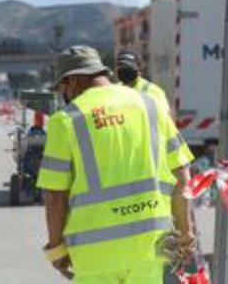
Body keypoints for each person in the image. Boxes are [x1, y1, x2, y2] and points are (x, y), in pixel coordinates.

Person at [37, 45, 195, 283]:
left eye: (62, 87)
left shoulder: (66, 121)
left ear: (72, 81)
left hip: (94, 254)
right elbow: (181, 174)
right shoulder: (151, 106)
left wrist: (56, 250)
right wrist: (185, 233)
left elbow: (55, 195)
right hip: (150, 245)